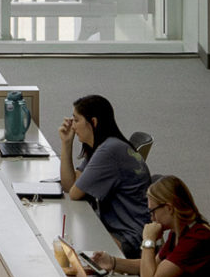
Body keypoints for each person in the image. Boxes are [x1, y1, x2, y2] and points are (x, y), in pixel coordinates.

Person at [57, 95, 151, 256]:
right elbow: (69, 185)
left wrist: (74, 187)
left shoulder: (109, 151)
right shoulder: (104, 146)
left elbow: (74, 193)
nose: (73, 127)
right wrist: (66, 143)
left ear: (93, 122)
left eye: (76, 120)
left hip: (130, 239)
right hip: (120, 229)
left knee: (71, 247)